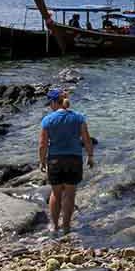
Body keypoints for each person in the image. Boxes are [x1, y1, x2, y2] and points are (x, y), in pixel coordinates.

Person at [38, 89, 94, 234]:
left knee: (55, 194)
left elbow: (43, 144)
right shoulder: (79, 118)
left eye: (50, 103)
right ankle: (67, 227)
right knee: (70, 194)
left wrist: (42, 161)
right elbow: (86, 139)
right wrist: (90, 155)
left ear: (53, 102)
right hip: (74, 159)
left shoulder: (47, 120)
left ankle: (54, 226)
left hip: (55, 160)